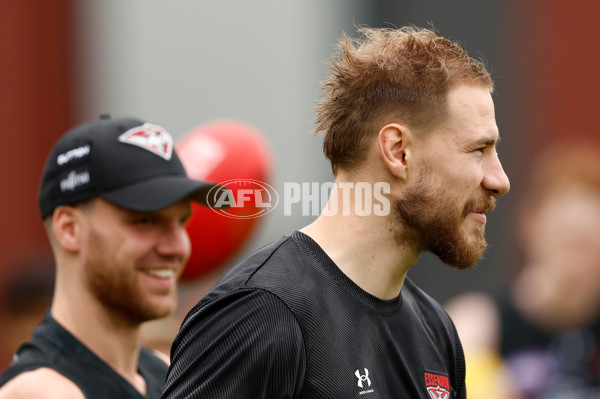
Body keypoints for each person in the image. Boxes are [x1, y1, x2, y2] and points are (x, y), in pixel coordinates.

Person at [161, 25, 510, 398]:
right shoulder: (263, 313)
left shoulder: (435, 330)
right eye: (478, 149)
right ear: (398, 151)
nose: (499, 180)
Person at [0, 115, 224, 399]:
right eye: (145, 221)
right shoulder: (43, 392)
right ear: (70, 229)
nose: (177, 247)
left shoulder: (167, 373)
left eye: (181, 222)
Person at [445, 139, 600, 399]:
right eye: (569, 239)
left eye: (588, 245)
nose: (578, 262)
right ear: (531, 225)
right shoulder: (477, 327)